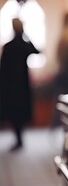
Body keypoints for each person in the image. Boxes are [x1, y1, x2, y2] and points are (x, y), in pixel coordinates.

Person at [0, 18, 40, 150]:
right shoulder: (23, 44)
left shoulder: (9, 46)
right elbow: (36, 50)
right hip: (22, 85)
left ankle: (19, 139)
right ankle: (19, 139)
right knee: (19, 112)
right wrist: (26, 35)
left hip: (12, 85)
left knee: (15, 112)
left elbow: (3, 69)